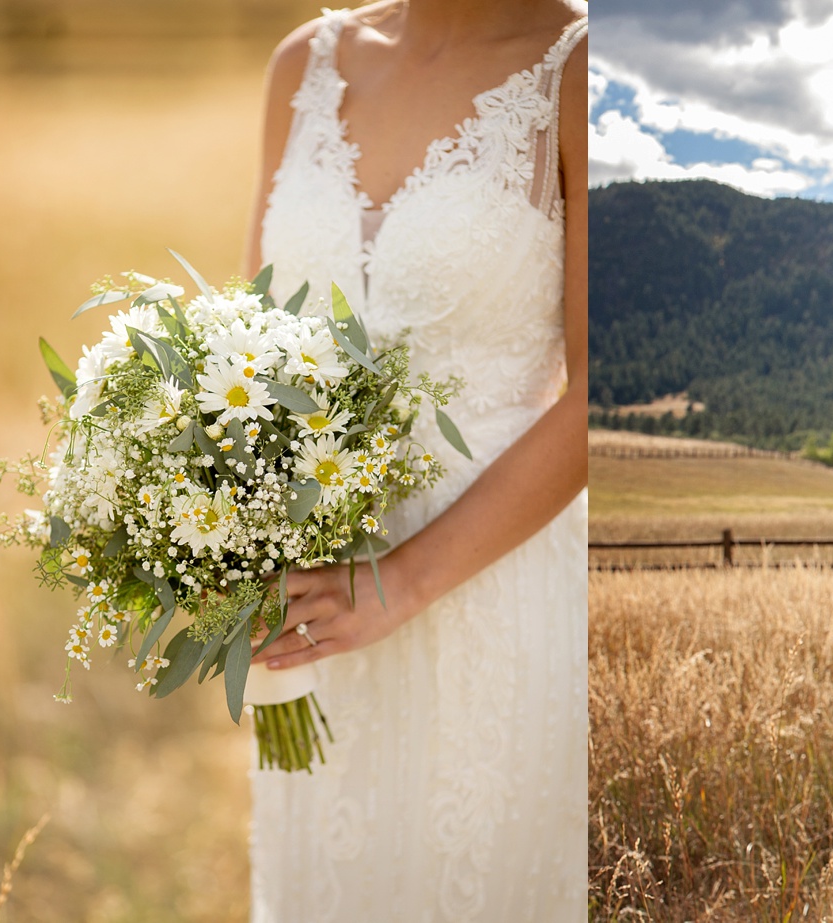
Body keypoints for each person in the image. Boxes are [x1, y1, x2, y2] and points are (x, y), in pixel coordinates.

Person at [240, 0, 588, 917]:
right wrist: (221, 541)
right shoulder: (304, 64)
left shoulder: (579, 70)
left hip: (490, 592)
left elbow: (604, 395)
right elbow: (244, 349)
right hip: (309, 605)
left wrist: (403, 580)